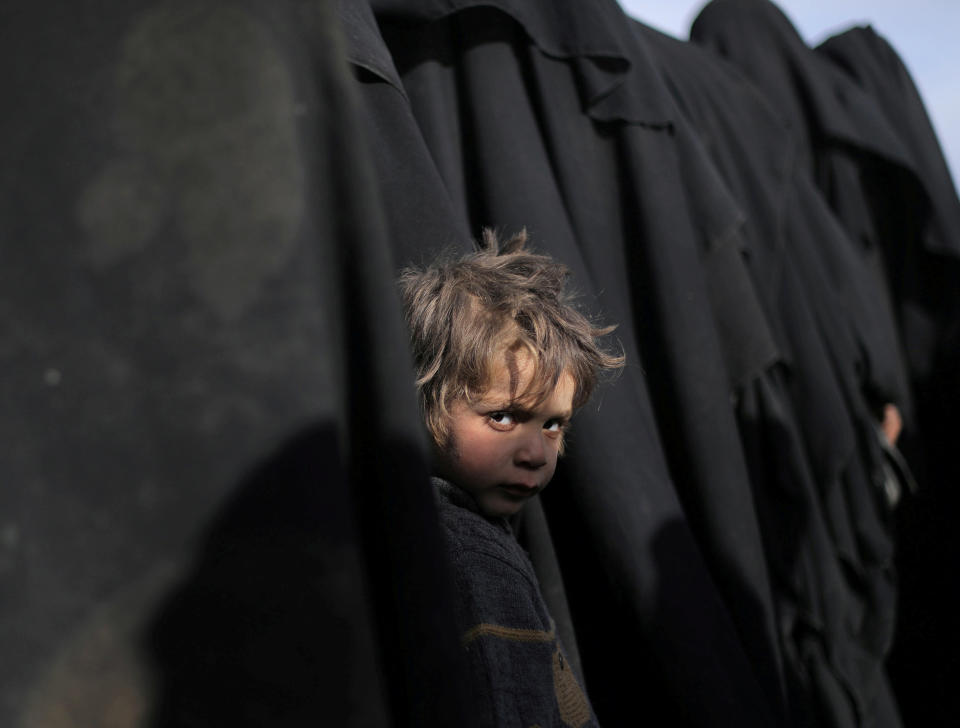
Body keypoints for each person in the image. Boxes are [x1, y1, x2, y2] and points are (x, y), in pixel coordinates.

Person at [398, 229, 623, 728]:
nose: (535, 454)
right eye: (502, 416)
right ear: (423, 400)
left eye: (553, 424)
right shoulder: (471, 559)